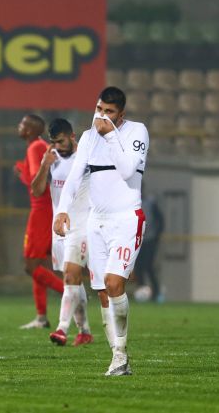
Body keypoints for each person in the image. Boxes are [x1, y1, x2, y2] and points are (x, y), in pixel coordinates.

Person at [54, 86, 149, 376]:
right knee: (103, 292)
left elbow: (127, 170)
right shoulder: (87, 137)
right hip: (96, 222)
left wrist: (110, 135)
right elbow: (74, 177)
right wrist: (62, 210)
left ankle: (120, 354)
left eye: (109, 111)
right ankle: (119, 357)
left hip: (127, 218)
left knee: (114, 282)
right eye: (99, 109)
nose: (102, 116)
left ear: (121, 114)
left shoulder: (136, 132)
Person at [31, 118, 93, 346]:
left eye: (61, 141)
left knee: (70, 276)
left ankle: (61, 329)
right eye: (54, 142)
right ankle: (84, 331)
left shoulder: (86, 158)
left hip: (81, 225)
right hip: (59, 228)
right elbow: (36, 191)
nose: (57, 146)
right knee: (73, 281)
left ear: (72, 136)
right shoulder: (52, 158)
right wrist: (44, 165)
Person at [15, 114, 64, 329]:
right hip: (49, 209)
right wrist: (23, 173)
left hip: (41, 210)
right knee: (41, 264)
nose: (19, 127)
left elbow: (39, 184)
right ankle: (41, 317)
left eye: (22, 124)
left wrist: (25, 174)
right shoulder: (41, 146)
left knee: (31, 266)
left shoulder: (35, 147)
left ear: (30, 129)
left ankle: (72, 295)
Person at [136, 189, 164, 302]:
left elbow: (160, 220)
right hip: (137, 241)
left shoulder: (150, 203)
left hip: (150, 240)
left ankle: (156, 293)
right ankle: (142, 291)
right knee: (138, 267)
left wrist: (157, 236)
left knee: (148, 266)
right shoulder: (132, 203)